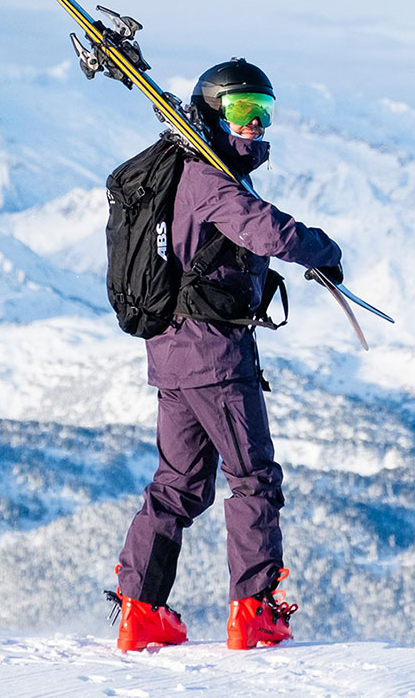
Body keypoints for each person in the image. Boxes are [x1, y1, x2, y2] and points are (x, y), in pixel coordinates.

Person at [111, 59, 344, 651]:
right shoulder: (207, 177)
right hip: (214, 355)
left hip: (173, 352)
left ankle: (141, 610)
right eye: (242, 110)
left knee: (179, 484)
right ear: (214, 112)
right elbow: (267, 231)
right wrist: (325, 250)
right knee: (254, 480)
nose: (255, 124)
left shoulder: (188, 172)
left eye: (264, 111)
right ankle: (254, 609)